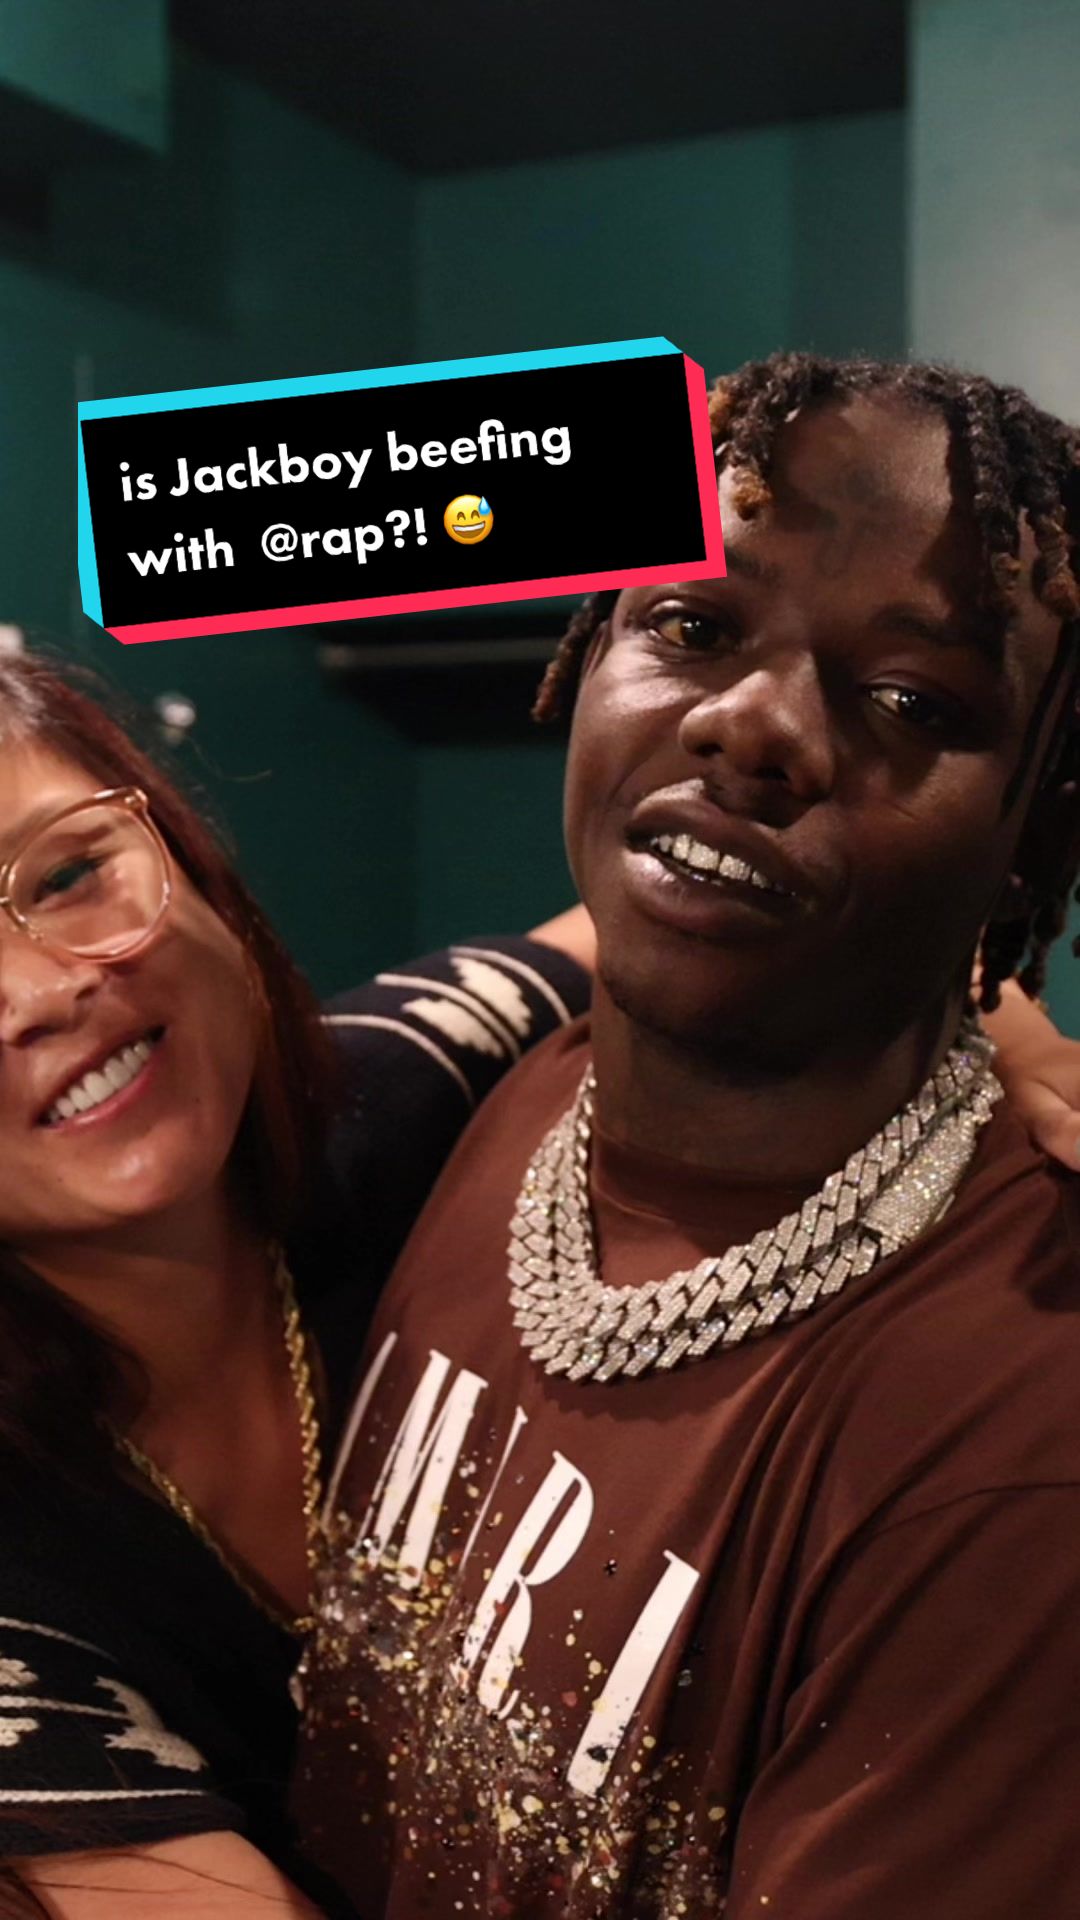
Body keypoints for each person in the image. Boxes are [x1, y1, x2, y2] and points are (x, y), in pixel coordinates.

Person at [292, 353, 1080, 1920]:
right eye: (693, 627)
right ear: (589, 657)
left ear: (1032, 831)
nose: (754, 727)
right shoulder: (518, 1095)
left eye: (914, 701)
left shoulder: (1018, 1432)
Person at [0, 652, 598, 1919]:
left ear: (192, 862)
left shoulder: (398, 1088)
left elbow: (715, 946)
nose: (44, 991)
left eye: (67, 876)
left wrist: (991, 1011)